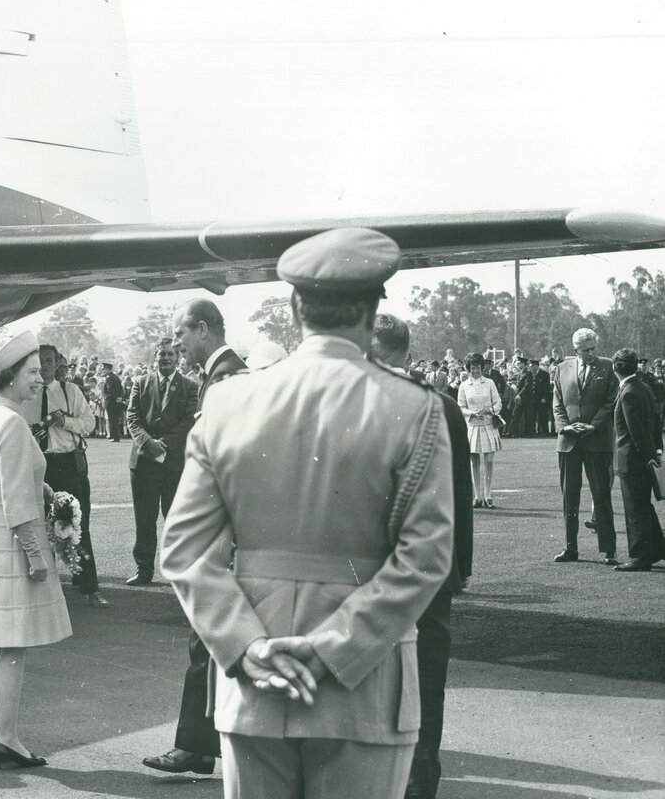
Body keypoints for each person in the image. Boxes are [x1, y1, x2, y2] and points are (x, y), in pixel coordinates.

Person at [161, 229, 453, 799]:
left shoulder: (227, 401)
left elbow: (186, 551)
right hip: (366, 680)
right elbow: (425, 558)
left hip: (256, 680)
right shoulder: (415, 408)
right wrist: (334, 648)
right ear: (373, 312)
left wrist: (246, 647)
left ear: (295, 309)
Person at [140, 298, 248, 776]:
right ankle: (199, 745)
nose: (177, 343)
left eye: (181, 333)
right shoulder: (220, 372)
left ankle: (198, 746)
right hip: (225, 531)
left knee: (207, 640)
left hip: (221, 534)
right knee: (204, 642)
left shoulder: (225, 376)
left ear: (202, 328)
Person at [0, 331, 71, 769]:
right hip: (9, 547)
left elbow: (7, 482)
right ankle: (7, 738)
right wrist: (37, 556)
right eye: (31, 373)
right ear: (8, 379)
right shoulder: (10, 423)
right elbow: (17, 503)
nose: (41, 378)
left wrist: (43, 490)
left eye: (40, 371)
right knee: (14, 646)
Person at [372, 314, 473, 799]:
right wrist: (460, 567)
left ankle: (412, 784)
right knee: (416, 686)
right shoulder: (442, 407)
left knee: (411, 685)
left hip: (389, 573)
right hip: (426, 570)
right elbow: (461, 494)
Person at [22, 344, 108, 608]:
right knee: (37, 527)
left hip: (69, 465)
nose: (45, 366)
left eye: (49, 361)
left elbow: (90, 423)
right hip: (39, 466)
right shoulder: (25, 394)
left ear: (57, 363)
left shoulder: (70, 391)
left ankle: (89, 587)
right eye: (40, 361)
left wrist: (65, 422)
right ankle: (40, 588)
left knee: (78, 527)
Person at [124, 340, 198, 586]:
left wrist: (163, 444)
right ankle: (143, 570)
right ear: (154, 358)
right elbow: (132, 416)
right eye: (161, 354)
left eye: (170, 354)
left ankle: (179, 571)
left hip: (174, 463)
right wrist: (147, 442)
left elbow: (189, 421)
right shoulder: (140, 382)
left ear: (177, 358)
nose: (165, 358)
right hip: (144, 461)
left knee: (175, 519)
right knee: (144, 520)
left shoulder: (189, 385)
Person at [552, 328, 619, 565]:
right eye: (585, 350)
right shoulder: (562, 368)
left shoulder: (608, 366)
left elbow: (612, 401)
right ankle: (571, 548)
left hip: (597, 441)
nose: (590, 353)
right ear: (575, 350)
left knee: (601, 495)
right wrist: (565, 427)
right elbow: (557, 403)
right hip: (569, 442)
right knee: (569, 497)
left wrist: (593, 426)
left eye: (593, 349)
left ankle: (609, 551)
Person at [610, 348, 665, 571]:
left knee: (635, 508)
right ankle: (656, 548)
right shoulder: (643, 388)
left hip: (632, 460)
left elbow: (636, 432)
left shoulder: (628, 392)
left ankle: (641, 556)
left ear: (616, 368)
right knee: (643, 505)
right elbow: (655, 421)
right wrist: (656, 453)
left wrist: (648, 457)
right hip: (644, 457)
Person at [457, 352, 504, 508]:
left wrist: (489, 410)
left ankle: (488, 496)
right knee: (474, 462)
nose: (475, 371)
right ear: (468, 369)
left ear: (482, 368)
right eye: (472, 368)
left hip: (489, 425)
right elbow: (461, 407)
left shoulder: (490, 383)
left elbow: (498, 404)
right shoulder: (463, 386)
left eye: (478, 368)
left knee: (489, 461)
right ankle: (477, 496)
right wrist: (472, 413)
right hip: (472, 427)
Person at [101, 362, 125, 442]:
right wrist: (120, 397)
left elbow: (109, 391)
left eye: (104, 369)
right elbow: (121, 389)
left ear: (108, 369)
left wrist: (106, 396)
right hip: (116, 401)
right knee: (115, 420)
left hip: (111, 401)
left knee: (112, 420)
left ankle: (115, 437)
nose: (103, 370)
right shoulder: (116, 377)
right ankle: (115, 436)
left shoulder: (109, 378)